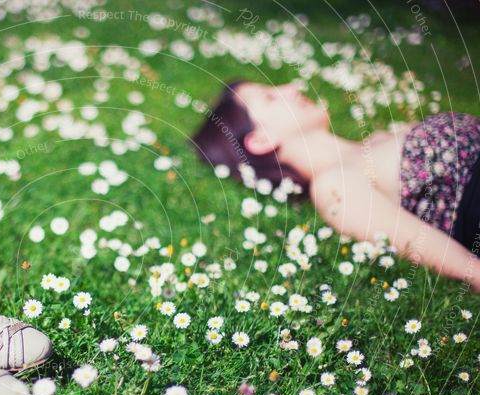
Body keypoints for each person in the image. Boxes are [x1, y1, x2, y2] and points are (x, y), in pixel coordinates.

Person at [192, 80, 480, 292]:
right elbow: (437, 250)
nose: (293, 87)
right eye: (271, 97)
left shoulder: (378, 139)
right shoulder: (333, 186)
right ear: (261, 140)